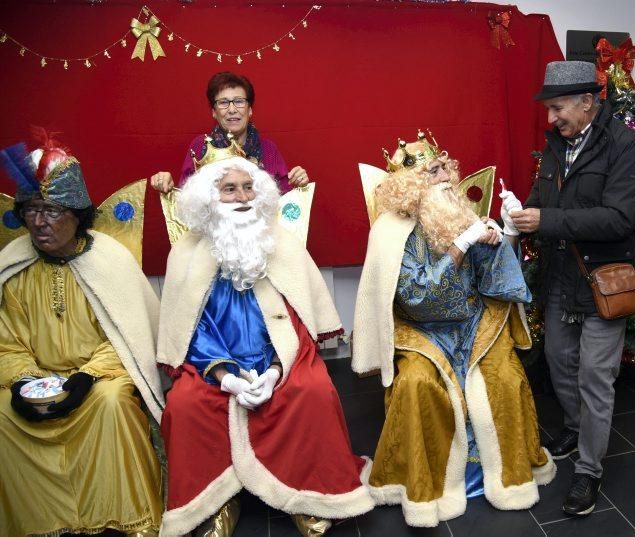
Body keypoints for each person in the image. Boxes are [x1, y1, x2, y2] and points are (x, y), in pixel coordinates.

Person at [156, 137, 373, 537]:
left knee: (312, 392)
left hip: (281, 358)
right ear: (207, 199)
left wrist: (274, 370)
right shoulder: (184, 254)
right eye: (228, 189)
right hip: (211, 367)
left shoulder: (281, 244)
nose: (241, 197)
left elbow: (296, 320)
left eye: (248, 187)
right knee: (185, 406)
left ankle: (310, 493)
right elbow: (189, 329)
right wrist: (227, 377)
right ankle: (215, 505)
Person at [352, 132, 555, 528]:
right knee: (417, 384)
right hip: (421, 332)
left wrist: (507, 234)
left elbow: (496, 281)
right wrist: (462, 243)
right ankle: (428, 486)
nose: (445, 174)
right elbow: (417, 297)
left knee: (507, 378)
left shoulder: (462, 214)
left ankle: (505, 477)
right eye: (433, 170)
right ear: (410, 184)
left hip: (474, 326)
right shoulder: (392, 232)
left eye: (445, 165)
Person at [501, 61, 635, 516]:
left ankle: (588, 470)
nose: (550, 120)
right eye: (548, 110)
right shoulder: (555, 145)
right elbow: (545, 201)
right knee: (558, 362)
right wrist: (518, 215)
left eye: (558, 109)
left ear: (587, 102)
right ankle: (573, 426)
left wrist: (546, 221)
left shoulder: (627, 148)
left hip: (604, 283)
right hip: (561, 278)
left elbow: (618, 219)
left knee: (594, 378)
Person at [0, 135, 164, 536]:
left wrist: (86, 377)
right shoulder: (13, 267)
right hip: (35, 378)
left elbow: (129, 335)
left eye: (52, 211)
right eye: (33, 211)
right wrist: (23, 381)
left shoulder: (109, 259)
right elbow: (7, 341)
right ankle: (38, 521)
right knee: (3, 413)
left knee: (111, 405)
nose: (40, 222)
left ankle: (128, 517)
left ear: (76, 214)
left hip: (102, 378)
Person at [149, 71, 309, 194]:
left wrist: (299, 183)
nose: (232, 110)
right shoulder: (200, 146)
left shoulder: (269, 150)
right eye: (223, 103)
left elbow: (285, 201)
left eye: (239, 101)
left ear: (250, 109)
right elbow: (187, 201)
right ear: (214, 111)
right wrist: (168, 187)